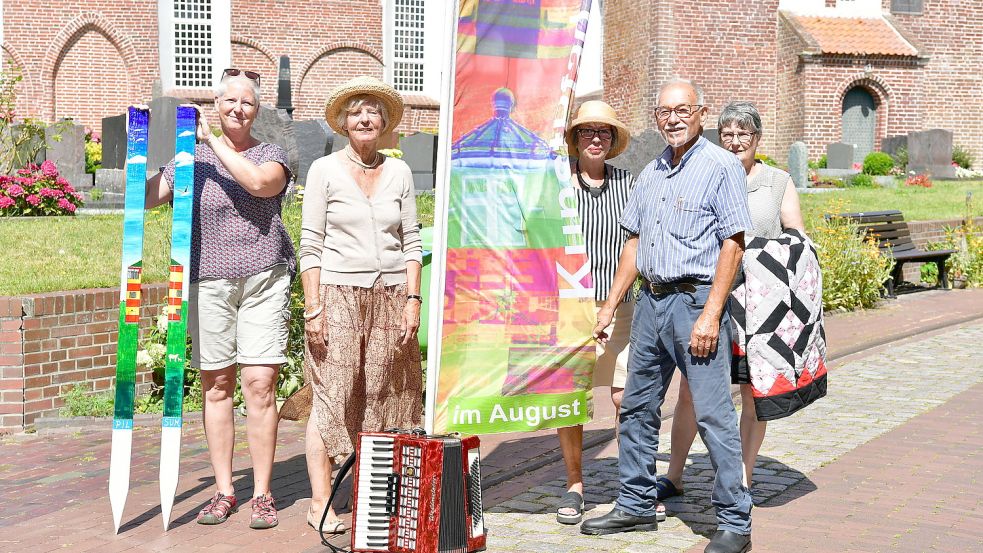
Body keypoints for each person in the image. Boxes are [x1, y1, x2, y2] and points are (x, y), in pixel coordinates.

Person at [581, 79, 754, 553]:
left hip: (695, 303)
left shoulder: (720, 166)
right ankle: (635, 503)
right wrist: (612, 302)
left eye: (682, 110)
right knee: (636, 407)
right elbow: (633, 244)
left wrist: (712, 314)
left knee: (714, 414)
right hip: (650, 305)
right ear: (655, 118)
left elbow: (733, 243)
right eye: (663, 112)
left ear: (700, 113)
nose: (672, 119)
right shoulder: (651, 171)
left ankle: (735, 522)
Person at [146, 68, 295, 529]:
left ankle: (264, 494)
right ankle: (225, 490)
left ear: (256, 110)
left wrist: (212, 144)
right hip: (208, 280)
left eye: (247, 102)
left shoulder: (272, 154)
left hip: (263, 280)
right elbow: (152, 197)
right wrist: (138, 164)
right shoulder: (190, 158)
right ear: (217, 105)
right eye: (229, 100)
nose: (238, 108)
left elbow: (258, 184)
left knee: (259, 385)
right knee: (217, 386)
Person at [657, 101, 806, 512]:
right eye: (727, 134)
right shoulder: (706, 174)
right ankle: (675, 473)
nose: (736, 141)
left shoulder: (777, 182)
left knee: (751, 392)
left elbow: (796, 237)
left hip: (760, 307)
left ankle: (742, 475)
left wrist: (753, 253)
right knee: (690, 390)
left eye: (744, 134)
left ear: (757, 139)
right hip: (710, 301)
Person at [299, 76, 423, 534]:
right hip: (338, 296)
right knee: (333, 396)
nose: (365, 118)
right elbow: (310, 244)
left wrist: (413, 298)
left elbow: (412, 241)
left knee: (386, 396)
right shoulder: (324, 170)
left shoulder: (399, 173)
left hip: (392, 297)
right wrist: (314, 308)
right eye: (356, 112)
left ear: (385, 122)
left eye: (373, 111)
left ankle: (372, 498)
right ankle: (319, 502)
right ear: (344, 123)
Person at [555, 101, 636, 525]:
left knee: (625, 393)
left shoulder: (628, 183)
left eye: (604, 132)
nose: (596, 139)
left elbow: (635, 244)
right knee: (571, 400)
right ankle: (574, 485)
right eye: (587, 131)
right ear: (574, 138)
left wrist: (610, 305)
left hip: (618, 304)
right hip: (568, 309)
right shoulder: (559, 183)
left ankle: (632, 484)